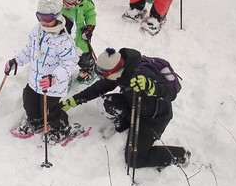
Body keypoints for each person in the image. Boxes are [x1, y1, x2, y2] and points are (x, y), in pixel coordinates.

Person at [61, 48, 190, 169]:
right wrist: (73, 101)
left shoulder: (142, 72)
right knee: (107, 103)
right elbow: (99, 88)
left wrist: (151, 87)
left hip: (154, 117)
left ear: (111, 72)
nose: (103, 78)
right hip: (134, 104)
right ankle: (125, 129)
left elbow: (171, 93)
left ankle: (180, 155)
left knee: (134, 159)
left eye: (104, 75)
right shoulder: (119, 69)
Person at [6, 0, 80, 143]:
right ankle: (37, 121)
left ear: (57, 16)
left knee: (50, 110)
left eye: (47, 19)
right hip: (35, 80)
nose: (43, 22)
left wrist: (53, 78)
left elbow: (69, 64)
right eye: (40, 17)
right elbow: (29, 50)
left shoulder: (64, 40)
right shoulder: (37, 30)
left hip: (53, 85)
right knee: (29, 101)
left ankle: (62, 129)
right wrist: (16, 61)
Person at [58, 0, 98, 84]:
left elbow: (91, 14)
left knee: (83, 51)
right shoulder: (57, 2)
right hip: (63, 31)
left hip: (80, 32)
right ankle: (62, 73)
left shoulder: (84, 2)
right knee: (62, 51)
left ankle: (88, 69)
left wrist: (90, 27)